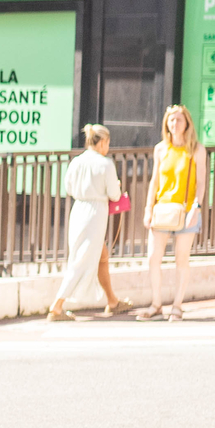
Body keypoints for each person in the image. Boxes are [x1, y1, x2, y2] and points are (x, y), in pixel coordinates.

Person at [48, 124, 127, 321]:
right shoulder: (105, 164)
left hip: (79, 209)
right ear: (102, 142)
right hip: (96, 213)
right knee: (82, 260)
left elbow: (68, 187)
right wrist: (116, 187)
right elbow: (114, 194)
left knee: (100, 255)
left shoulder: (77, 161)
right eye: (107, 143)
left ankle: (112, 301)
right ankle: (57, 305)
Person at [136, 104, 207, 321]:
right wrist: (148, 208)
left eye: (179, 120)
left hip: (186, 210)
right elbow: (155, 181)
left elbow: (202, 182)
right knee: (153, 258)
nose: (174, 124)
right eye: (171, 120)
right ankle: (156, 303)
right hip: (163, 209)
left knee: (181, 259)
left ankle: (177, 305)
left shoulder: (196, 149)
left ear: (187, 124)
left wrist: (196, 207)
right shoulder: (161, 149)